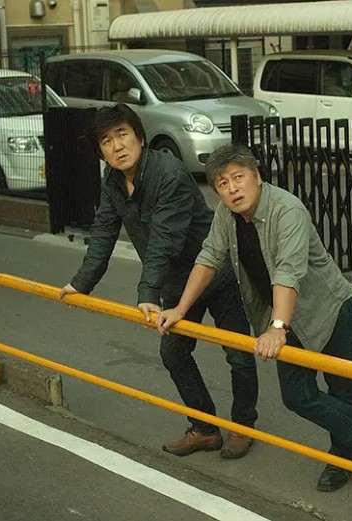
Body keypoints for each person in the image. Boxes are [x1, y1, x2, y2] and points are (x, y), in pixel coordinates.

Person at [156, 144, 352, 492]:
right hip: (284, 318)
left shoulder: (288, 210)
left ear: (257, 176)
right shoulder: (226, 216)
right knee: (297, 395)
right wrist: (180, 309)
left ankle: (344, 458)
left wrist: (276, 328)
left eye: (238, 177)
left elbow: (288, 271)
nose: (233, 188)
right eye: (223, 183)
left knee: (343, 388)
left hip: (327, 309)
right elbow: (208, 257)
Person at [58, 104, 259, 459]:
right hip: (175, 283)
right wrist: (80, 284)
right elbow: (103, 232)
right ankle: (205, 428)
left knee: (238, 353)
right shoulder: (113, 182)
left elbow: (165, 239)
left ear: (140, 137)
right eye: (107, 141)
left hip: (214, 271)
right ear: (100, 152)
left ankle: (243, 426)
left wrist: (147, 292)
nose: (117, 146)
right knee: (174, 353)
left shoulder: (169, 172)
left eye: (122, 134)